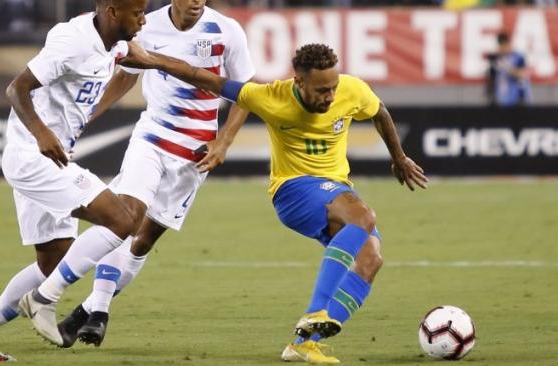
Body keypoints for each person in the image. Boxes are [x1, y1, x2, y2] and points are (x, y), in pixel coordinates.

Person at [121, 43, 428, 363]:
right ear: (299, 82)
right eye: (322, 90)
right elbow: (203, 77)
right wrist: (149, 60)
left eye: (333, 88)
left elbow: (380, 113)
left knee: (370, 259)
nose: (330, 96)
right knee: (364, 216)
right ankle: (316, 311)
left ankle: (304, 344)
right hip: (293, 191)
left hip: (333, 189)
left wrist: (400, 158)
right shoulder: (269, 97)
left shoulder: (352, 90)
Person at [0, 0, 148, 361]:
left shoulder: (117, 42)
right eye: (137, 12)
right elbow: (17, 88)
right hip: (34, 156)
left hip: (51, 159)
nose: (144, 18)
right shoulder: (71, 40)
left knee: (53, 263)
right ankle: (43, 300)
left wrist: (93, 110)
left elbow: (132, 64)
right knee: (123, 219)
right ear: (112, 12)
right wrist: (43, 134)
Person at [56, 0, 255, 348]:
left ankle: (81, 314)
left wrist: (223, 141)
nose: (196, 1)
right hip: (151, 138)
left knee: (143, 240)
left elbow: (246, 93)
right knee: (125, 219)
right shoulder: (146, 25)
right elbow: (124, 78)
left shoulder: (227, 30)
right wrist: (86, 116)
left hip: (195, 154)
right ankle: (98, 312)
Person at [486, 32, 531, 107]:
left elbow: (522, 74)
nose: (502, 48)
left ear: (509, 44)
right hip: (501, 100)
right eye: (501, 45)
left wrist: (507, 67)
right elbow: (492, 78)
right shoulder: (496, 58)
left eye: (504, 45)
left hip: (518, 99)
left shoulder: (518, 57)